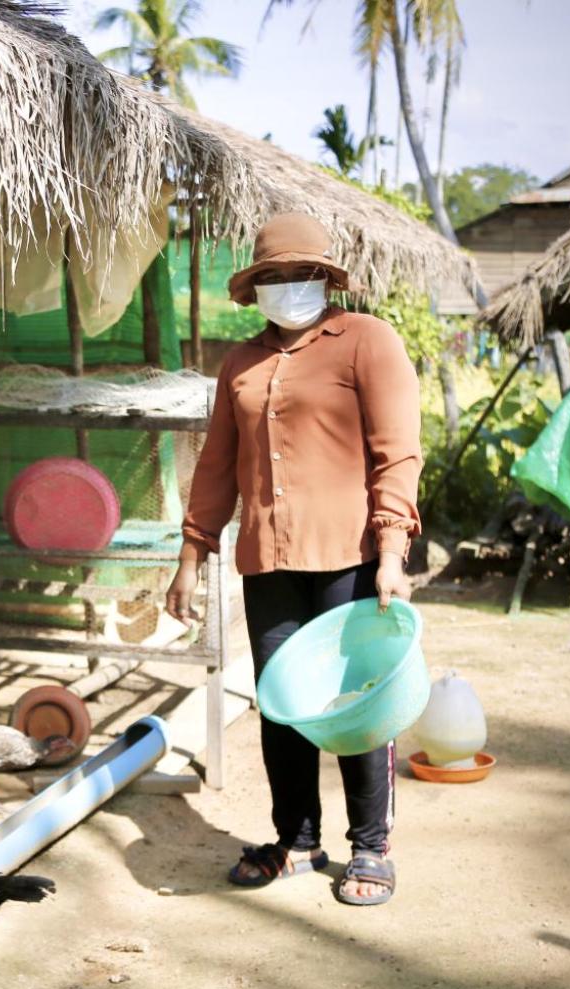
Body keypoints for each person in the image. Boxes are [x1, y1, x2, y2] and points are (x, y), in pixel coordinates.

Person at [166, 213, 421, 906]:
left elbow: (397, 453)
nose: (288, 287)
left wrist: (393, 554)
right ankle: (299, 841)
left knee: (355, 707)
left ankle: (371, 845)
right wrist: (192, 555)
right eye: (272, 277)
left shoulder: (367, 341)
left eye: (301, 273)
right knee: (282, 707)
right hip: (268, 559)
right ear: (255, 288)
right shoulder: (241, 363)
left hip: (351, 557)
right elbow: (216, 464)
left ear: (326, 278)